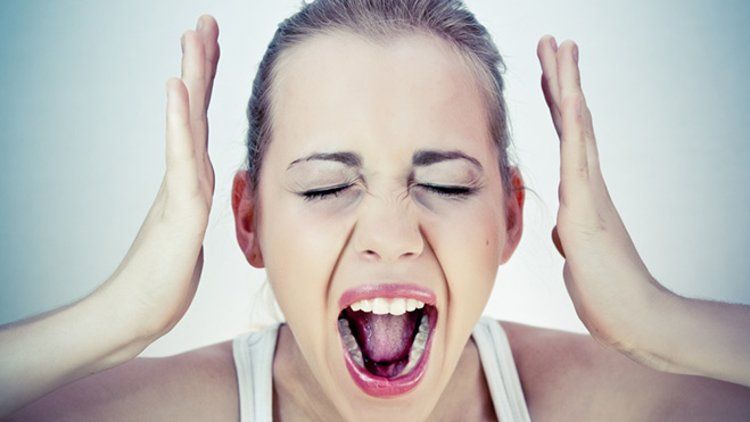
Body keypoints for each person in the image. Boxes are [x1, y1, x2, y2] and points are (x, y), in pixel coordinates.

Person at [1, 0, 749, 420]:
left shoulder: (593, 405)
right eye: (327, 187)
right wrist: (122, 314)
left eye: (446, 186)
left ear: (512, 218)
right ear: (249, 221)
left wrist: (654, 321)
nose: (392, 239)